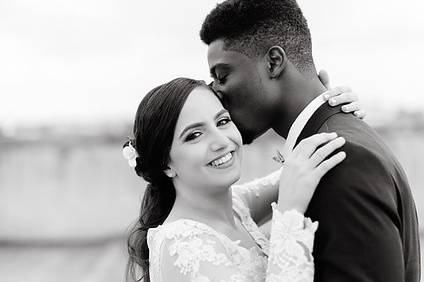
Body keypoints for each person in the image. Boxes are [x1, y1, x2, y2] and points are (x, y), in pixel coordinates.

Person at [200, 0, 420, 281]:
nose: (216, 93)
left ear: (273, 62)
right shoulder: (330, 146)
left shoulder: (341, 161)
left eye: (222, 76)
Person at [124, 78, 364, 282]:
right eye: (195, 135)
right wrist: (290, 212)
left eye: (222, 121)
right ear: (165, 163)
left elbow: (299, 170)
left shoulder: (236, 206)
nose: (221, 141)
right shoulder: (181, 244)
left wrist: (330, 110)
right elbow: (292, 188)